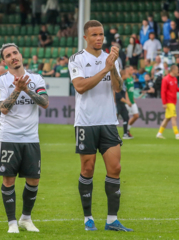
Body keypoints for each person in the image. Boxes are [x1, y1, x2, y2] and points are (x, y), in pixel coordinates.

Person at [68, 20, 133, 232]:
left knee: (115, 168)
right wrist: (105, 68)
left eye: (101, 34)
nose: (99, 38)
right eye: (94, 35)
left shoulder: (111, 58)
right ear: (85, 37)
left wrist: (112, 66)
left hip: (108, 122)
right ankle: (88, 218)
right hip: (86, 123)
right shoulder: (76, 59)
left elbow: (117, 87)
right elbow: (80, 87)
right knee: (87, 169)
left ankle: (112, 220)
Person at [0, 43, 49, 233]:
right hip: (9, 137)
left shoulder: (36, 78)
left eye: (15, 53)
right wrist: (17, 89)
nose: (13, 57)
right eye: (8, 55)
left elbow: (45, 103)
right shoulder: (1, 81)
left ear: (20, 55)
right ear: (5, 61)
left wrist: (26, 89)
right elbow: (3, 109)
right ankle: (11, 223)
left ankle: (26, 218)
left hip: (31, 138)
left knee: (33, 180)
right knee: (8, 180)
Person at [157, 65, 179, 139]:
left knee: (167, 118)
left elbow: (176, 89)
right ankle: (177, 134)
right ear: (173, 70)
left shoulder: (175, 79)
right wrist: (164, 103)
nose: (177, 71)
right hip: (169, 102)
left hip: (173, 101)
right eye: (177, 70)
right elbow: (163, 91)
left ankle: (159, 133)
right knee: (174, 117)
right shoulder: (166, 79)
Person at [124, 66, 139, 136]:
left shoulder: (131, 78)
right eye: (131, 69)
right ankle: (125, 131)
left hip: (132, 101)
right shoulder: (125, 79)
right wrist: (127, 100)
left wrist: (133, 99)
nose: (133, 71)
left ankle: (127, 129)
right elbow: (125, 90)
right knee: (124, 117)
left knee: (136, 116)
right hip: (127, 101)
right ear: (127, 71)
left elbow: (131, 90)